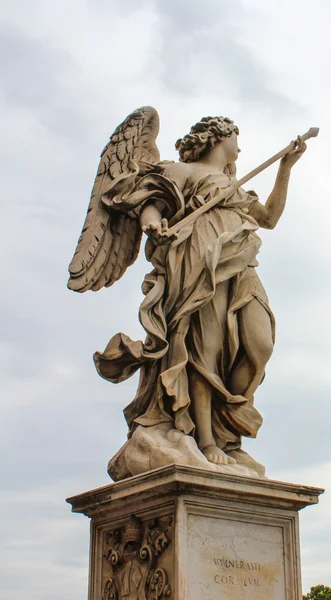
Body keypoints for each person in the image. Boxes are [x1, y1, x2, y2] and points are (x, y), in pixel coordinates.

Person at [94, 116, 306, 468]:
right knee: (205, 349)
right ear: (220, 137)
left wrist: (286, 167)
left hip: (239, 265)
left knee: (259, 344)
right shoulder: (181, 171)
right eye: (237, 137)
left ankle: (228, 428)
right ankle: (208, 441)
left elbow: (269, 218)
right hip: (198, 261)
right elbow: (151, 202)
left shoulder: (233, 186)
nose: (240, 146)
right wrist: (152, 225)